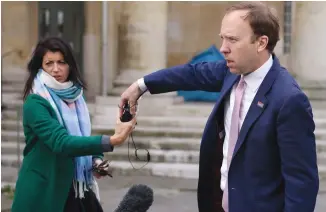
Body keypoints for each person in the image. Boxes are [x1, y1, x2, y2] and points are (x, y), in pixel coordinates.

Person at [120, 2, 319, 212]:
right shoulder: (230, 72)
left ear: (261, 42)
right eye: (223, 37)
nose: (223, 48)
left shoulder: (289, 100)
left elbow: (301, 183)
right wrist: (140, 86)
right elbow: (191, 74)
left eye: (232, 39)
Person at [11, 37, 136, 212]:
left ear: (70, 65)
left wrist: (95, 160)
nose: (56, 69)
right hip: (46, 190)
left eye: (61, 62)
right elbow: (61, 142)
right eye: (49, 64)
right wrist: (112, 140)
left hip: (78, 188)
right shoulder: (35, 102)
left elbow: (80, 138)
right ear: (40, 67)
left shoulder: (76, 98)